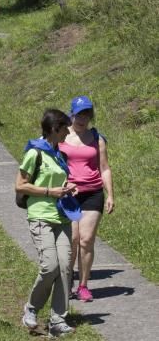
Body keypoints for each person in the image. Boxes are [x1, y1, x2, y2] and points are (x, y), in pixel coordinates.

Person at [15, 109, 78, 337]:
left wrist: (69, 188)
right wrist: (50, 191)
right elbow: (20, 185)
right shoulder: (35, 153)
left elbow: (61, 181)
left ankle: (57, 320)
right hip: (41, 215)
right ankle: (31, 308)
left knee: (64, 268)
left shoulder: (59, 153)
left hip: (61, 217)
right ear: (54, 129)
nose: (67, 133)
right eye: (64, 129)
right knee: (49, 266)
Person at [59, 96, 114, 302]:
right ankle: (67, 281)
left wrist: (110, 195)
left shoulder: (96, 137)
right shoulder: (62, 135)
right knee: (72, 240)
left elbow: (105, 168)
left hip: (93, 192)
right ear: (71, 114)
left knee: (87, 239)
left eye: (86, 115)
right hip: (69, 194)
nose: (82, 119)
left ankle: (83, 285)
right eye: (79, 114)